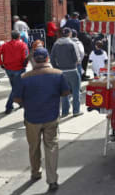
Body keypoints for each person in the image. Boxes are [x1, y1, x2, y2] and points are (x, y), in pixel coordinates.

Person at [13, 48, 70, 192]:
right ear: (47, 59)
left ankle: (35, 172)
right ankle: (52, 180)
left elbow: (17, 98)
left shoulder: (25, 77)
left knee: (34, 146)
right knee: (51, 147)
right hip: (51, 115)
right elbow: (65, 92)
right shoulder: (58, 74)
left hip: (32, 117)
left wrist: (26, 104)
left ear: (33, 60)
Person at [0, 30, 29, 113]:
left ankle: (20, 102)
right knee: (16, 88)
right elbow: (25, 56)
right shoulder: (22, 45)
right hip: (18, 69)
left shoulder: (5, 45)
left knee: (16, 87)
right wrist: (24, 64)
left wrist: (0, 63)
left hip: (9, 69)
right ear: (19, 37)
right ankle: (8, 106)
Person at [50, 28, 83, 117]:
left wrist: (56, 67)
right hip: (72, 70)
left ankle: (65, 111)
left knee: (64, 92)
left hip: (61, 70)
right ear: (69, 33)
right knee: (76, 91)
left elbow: (52, 58)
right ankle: (76, 111)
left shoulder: (56, 44)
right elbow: (77, 58)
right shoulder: (72, 43)